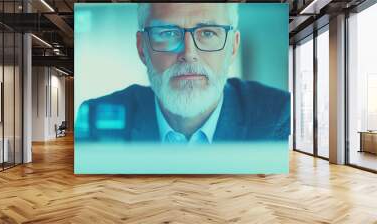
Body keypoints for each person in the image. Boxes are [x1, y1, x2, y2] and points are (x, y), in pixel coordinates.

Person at [75, 3, 290, 143]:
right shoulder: (95, 118)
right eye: (168, 33)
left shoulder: (278, 114)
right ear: (142, 49)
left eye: (207, 32)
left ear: (233, 48)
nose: (188, 53)